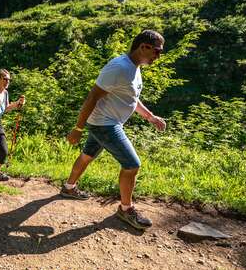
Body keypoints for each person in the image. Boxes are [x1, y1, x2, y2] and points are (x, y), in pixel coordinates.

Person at [60, 30, 167, 230]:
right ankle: (126, 210)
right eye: (157, 51)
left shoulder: (134, 68)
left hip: (106, 122)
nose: (158, 56)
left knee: (87, 155)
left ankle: (69, 188)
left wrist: (150, 116)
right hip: (105, 124)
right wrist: (77, 128)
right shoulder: (119, 67)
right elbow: (92, 97)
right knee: (132, 165)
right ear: (144, 47)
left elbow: (131, 98)